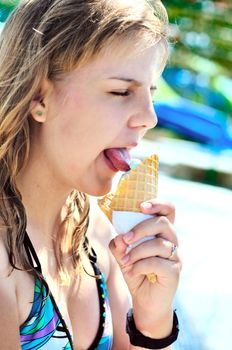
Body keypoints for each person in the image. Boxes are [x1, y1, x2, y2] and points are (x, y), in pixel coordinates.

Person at [0, 0, 181, 349]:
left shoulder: (95, 230)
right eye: (120, 92)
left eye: (150, 95)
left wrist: (152, 316)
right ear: (39, 97)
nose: (149, 118)